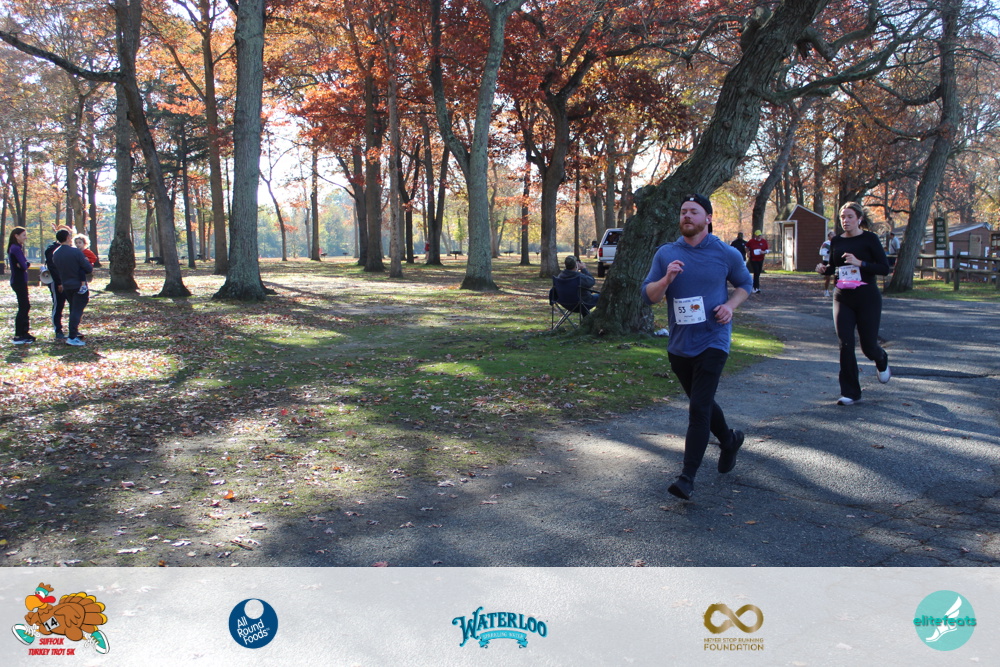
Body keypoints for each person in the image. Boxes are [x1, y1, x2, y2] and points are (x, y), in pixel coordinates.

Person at [641, 194, 753, 500]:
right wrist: (666, 279)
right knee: (702, 402)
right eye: (683, 211)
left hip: (713, 339)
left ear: (708, 218)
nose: (687, 216)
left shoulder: (726, 253)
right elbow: (648, 296)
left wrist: (730, 306)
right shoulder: (666, 253)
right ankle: (729, 440)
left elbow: (745, 284)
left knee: (698, 408)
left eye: (694, 211)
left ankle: (687, 478)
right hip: (680, 344)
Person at [815, 202, 891, 406]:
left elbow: (884, 268)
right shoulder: (837, 241)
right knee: (845, 344)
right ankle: (850, 392)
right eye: (842, 217)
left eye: (849, 217)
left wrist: (860, 263)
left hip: (867, 297)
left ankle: (881, 358)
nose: (845, 220)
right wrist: (824, 269)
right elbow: (833, 267)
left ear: (859, 219)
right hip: (842, 297)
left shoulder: (870, 239)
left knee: (868, 346)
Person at [51, 235, 93, 347]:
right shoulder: (75, 252)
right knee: (76, 311)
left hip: (66, 285)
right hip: (78, 284)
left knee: (73, 309)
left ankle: (73, 333)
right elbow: (88, 268)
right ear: (68, 238)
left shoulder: (56, 253)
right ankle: (72, 336)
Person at [7, 227, 35, 345]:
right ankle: (19, 335)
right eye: (23, 235)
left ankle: (24, 332)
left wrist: (24, 264)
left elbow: (24, 264)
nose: (25, 237)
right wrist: (25, 264)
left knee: (25, 306)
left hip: (20, 280)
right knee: (24, 306)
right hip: (18, 281)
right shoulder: (15, 248)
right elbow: (24, 265)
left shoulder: (17, 248)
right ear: (16, 236)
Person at [44, 228, 72, 340]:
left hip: (68, 281)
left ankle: (73, 329)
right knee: (58, 304)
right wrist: (59, 282)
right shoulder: (52, 249)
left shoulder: (70, 249)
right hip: (56, 282)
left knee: (73, 304)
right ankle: (58, 330)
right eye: (70, 236)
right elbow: (53, 268)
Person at [819, 231, 835, 296]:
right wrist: (828, 252)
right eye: (832, 235)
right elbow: (821, 252)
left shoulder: (837, 243)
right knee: (827, 277)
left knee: (836, 276)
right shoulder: (825, 244)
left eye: (834, 235)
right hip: (827, 261)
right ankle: (826, 290)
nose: (833, 236)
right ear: (829, 236)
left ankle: (835, 290)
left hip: (834, 261)